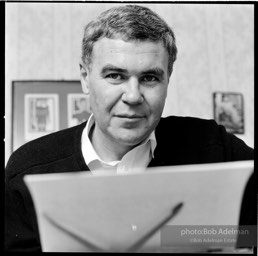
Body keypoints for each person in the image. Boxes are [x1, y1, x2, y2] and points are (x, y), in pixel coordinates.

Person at [5, 5, 254, 252]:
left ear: (168, 78)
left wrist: (183, 237)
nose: (133, 96)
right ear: (85, 77)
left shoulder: (213, 147)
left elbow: (251, 236)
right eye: (115, 75)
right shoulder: (28, 169)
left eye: (150, 78)